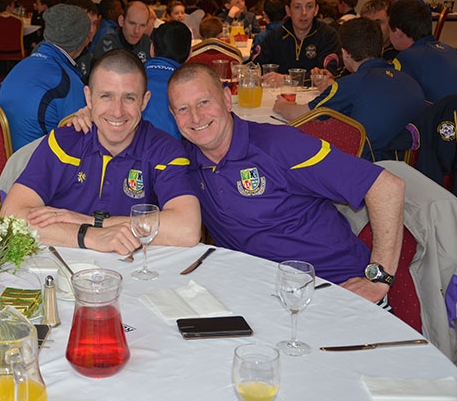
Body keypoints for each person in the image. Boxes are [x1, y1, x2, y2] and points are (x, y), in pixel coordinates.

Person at [167, 62, 405, 303]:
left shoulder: (279, 145)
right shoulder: (182, 162)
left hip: (334, 285)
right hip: (262, 295)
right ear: (173, 115)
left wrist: (378, 279)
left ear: (227, 100)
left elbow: (386, 187)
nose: (196, 116)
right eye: (183, 108)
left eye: (204, 102)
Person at [0, 49, 200, 254]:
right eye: (106, 96)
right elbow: (10, 216)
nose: (117, 111)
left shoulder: (164, 151)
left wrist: (95, 222)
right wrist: (88, 236)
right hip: (62, 268)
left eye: (129, 98)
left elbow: (187, 229)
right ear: (88, 98)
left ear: (144, 101)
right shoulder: (63, 143)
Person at [273, 17, 426, 161]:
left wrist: (282, 105)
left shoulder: (352, 84)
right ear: (380, 47)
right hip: (408, 165)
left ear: (345, 53)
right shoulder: (409, 81)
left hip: (367, 165)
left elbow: (300, 116)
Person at [0, 5, 90, 151]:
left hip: (9, 156)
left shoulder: (21, 66)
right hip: (35, 161)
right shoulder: (67, 82)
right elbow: (82, 140)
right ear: (82, 40)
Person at [388, 0, 457, 102]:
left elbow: (395, 98)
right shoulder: (449, 50)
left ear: (397, 32)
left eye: (389, 29)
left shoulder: (407, 58)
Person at [253, 0, 340, 78]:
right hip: (278, 88)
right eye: (297, 7)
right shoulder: (274, 37)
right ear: (288, 11)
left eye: (309, 6)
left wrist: (286, 79)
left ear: (316, 10)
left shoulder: (328, 36)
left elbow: (328, 74)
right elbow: (256, 68)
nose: (304, 13)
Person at [143, 21, 190, 139]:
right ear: (190, 54)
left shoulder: (129, 79)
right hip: (175, 149)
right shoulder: (192, 87)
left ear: (152, 49)